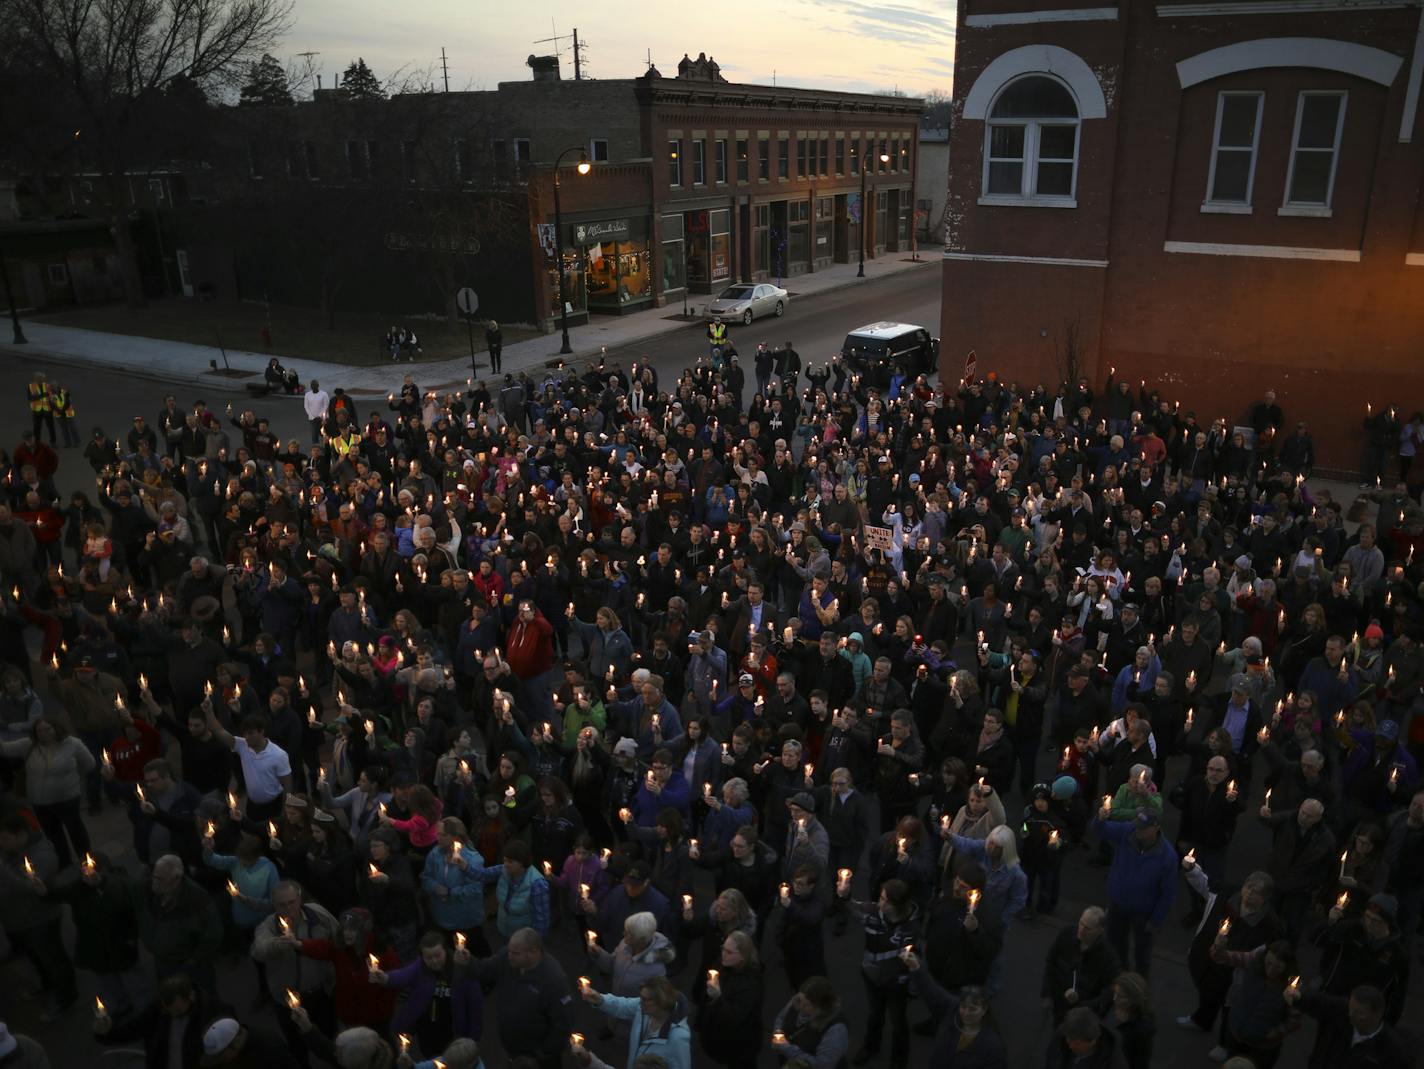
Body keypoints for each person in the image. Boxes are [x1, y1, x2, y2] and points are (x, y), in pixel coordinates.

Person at [457, 927, 571, 1069]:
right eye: (509, 950)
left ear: (533, 952)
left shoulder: (554, 980)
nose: (509, 955)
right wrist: (468, 962)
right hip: (513, 1048)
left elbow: (563, 1023)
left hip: (540, 1057)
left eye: (515, 953)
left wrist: (545, 1052)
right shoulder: (507, 957)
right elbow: (484, 970)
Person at [1091, 806, 1178, 975]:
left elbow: (1168, 892)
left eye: (1143, 828)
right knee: (1114, 947)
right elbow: (1099, 829)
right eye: (1137, 825)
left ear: (1156, 827)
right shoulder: (1127, 831)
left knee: (1142, 954)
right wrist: (1100, 818)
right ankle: (1118, 980)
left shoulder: (1168, 857)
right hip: (1118, 905)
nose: (1138, 830)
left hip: (1144, 914)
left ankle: (1138, 988)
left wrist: (1156, 921)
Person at [578, 974, 692, 1069]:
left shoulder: (678, 1038)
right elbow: (622, 1005)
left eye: (646, 1000)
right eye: (641, 997)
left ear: (661, 1001)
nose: (640, 1002)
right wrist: (600, 999)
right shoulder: (644, 1008)